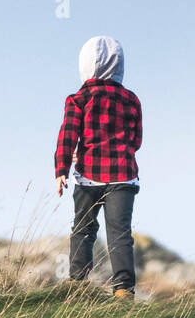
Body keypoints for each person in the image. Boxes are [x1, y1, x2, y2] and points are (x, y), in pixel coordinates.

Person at [54, 35, 142, 301]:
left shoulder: (78, 98)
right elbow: (136, 140)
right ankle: (124, 288)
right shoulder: (131, 99)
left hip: (88, 176)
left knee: (83, 228)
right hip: (124, 176)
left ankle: (78, 283)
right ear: (119, 66)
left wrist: (61, 169)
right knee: (120, 233)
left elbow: (67, 136)